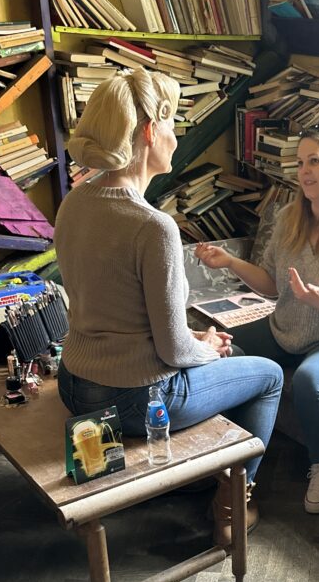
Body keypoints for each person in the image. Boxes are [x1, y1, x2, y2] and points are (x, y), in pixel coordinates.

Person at [54, 68, 284, 546]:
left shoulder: (74, 203)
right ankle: (233, 504)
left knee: (224, 354)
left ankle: (200, 474)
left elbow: (118, 312)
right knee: (267, 375)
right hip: (134, 398)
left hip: (76, 385)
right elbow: (173, 351)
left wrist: (196, 342)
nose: (177, 137)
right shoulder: (152, 226)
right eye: (172, 124)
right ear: (147, 132)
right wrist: (207, 349)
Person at [195, 123, 319, 514]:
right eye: (300, 162)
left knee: (309, 380)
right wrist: (231, 262)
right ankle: (221, 453)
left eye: (315, 161)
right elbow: (270, 286)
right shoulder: (289, 217)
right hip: (287, 327)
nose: (304, 171)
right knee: (219, 348)